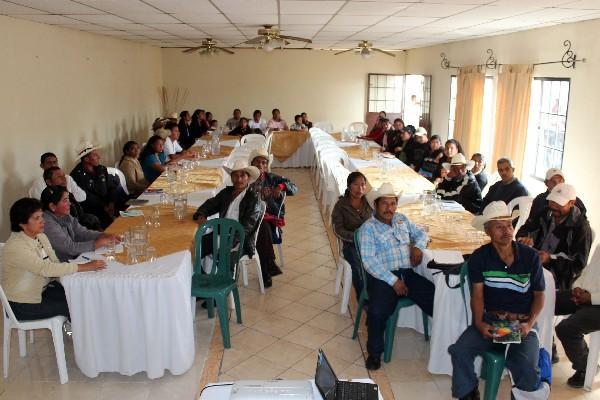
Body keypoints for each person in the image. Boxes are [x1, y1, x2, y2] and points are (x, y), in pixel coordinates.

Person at [449, 201, 545, 400]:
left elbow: (539, 295)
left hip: (520, 323)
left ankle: (522, 395)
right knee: (460, 351)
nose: (507, 231)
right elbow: (477, 295)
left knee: (526, 365)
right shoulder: (479, 257)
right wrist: (478, 323)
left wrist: (529, 323)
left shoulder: (530, 257)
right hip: (492, 321)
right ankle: (468, 394)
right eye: (499, 227)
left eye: (509, 225)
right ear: (487, 231)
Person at [357, 182, 435, 371]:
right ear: (375, 205)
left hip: (407, 273)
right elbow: (369, 261)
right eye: (385, 204)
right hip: (383, 276)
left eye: (393, 204)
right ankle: (374, 353)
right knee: (377, 311)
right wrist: (393, 281)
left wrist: (418, 246)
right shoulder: (368, 228)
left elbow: (422, 233)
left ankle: (444, 343)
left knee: (436, 297)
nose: (389, 208)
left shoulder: (401, 219)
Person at [2, 198, 105, 321]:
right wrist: (84, 267)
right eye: (37, 218)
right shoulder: (16, 247)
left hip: (43, 289)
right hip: (22, 302)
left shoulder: (40, 236)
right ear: (22, 224)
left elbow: (55, 263)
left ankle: (84, 331)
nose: (43, 221)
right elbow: (45, 268)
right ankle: (83, 336)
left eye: (42, 216)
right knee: (75, 305)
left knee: (80, 295)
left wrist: (75, 274)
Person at [516, 183, 592, 291]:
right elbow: (524, 229)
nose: (553, 206)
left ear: (571, 203)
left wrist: (550, 259)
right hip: (533, 263)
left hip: (556, 279)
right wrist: (523, 238)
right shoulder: (546, 213)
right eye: (552, 201)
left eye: (559, 203)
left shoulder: (581, 228)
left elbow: (577, 267)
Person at [192, 160, 263, 275]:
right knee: (194, 249)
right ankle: (204, 279)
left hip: (239, 241)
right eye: (235, 175)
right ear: (231, 177)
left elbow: (246, 228)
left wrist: (230, 242)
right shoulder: (227, 192)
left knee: (198, 249)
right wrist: (201, 215)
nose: (238, 179)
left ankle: (219, 284)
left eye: (242, 175)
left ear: (248, 178)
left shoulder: (253, 199)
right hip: (221, 234)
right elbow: (210, 204)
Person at [248, 148, 298, 285]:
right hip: (250, 219)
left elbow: (294, 188)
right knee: (259, 225)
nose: (260, 165)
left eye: (264, 162)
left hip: (270, 220)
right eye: (257, 162)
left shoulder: (272, 179)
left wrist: (280, 186)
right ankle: (268, 266)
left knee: (263, 226)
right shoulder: (247, 178)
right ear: (251, 164)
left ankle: (265, 268)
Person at [555, 245, 600, 388]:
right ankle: (546, 350)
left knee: (566, 328)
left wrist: (591, 298)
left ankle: (586, 367)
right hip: (586, 295)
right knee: (544, 301)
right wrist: (577, 288)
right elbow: (586, 272)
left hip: (596, 302)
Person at [41, 186, 119, 262]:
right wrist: (97, 243)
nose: (70, 203)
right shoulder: (47, 223)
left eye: (68, 199)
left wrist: (102, 235)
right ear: (52, 206)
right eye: (65, 200)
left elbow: (82, 233)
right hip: (62, 266)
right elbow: (70, 248)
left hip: (75, 259)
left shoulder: (64, 215)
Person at [331, 172, 373, 300]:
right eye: (356, 185)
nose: (360, 189)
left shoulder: (369, 203)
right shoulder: (341, 206)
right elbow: (337, 230)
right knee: (358, 265)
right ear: (349, 186)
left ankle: (377, 294)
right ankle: (363, 298)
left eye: (363, 185)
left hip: (370, 242)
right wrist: (356, 237)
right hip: (351, 244)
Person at [517, 168, 587, 238]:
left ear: (571, 203)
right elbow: (530, 225)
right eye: (553, 182)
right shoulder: (542, 204)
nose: (557, 185)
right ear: (546, 183)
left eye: (560, 181)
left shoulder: (579, 223)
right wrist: (525, 238)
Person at [70, 143, 121, 229]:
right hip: (94, 210)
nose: (99, 157)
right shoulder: (76, 175)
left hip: (109, 205)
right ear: (86, 159)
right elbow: (87, 197)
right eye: (95, 155)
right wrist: (104, 207)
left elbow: (111, 187)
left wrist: (111, 203)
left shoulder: (101, 169)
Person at [43, 166, 102, 231]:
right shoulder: (50, 199)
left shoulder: (68, 194)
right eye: (59, 177)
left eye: (64, 176)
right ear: (49, 182)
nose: (64, 179)